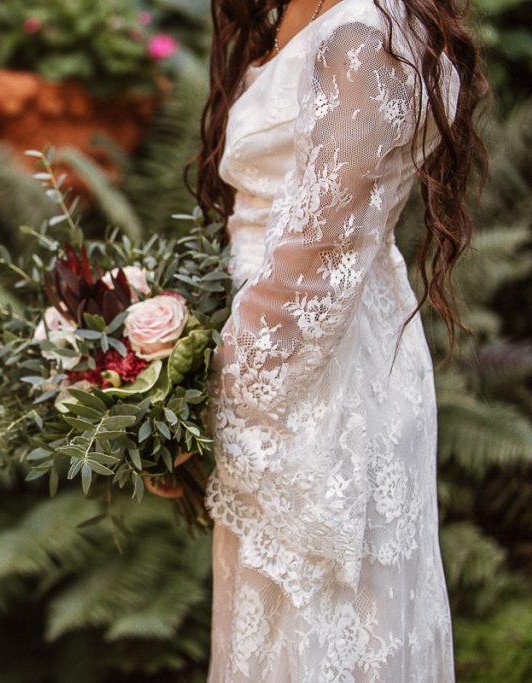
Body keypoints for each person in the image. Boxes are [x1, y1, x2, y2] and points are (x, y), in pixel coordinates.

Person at [190, 0, 490, 679]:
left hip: (317, 373)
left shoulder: (367, 36)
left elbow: (318, 260)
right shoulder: (297, 10)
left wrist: (201, 401)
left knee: (326, 628)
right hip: (273, 350)